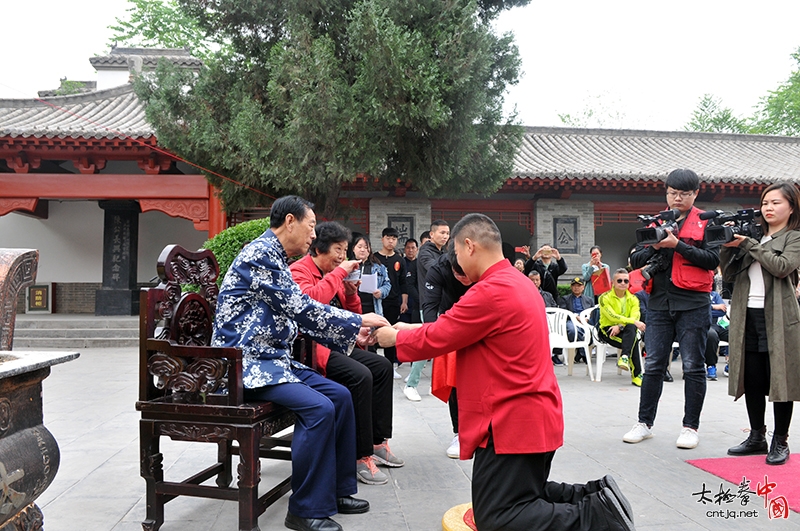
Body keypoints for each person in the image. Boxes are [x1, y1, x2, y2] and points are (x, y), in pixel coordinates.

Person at [374, 213, 635, 531]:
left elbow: (440, 336)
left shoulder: (491, 291)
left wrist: (393, 337)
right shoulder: (516, 283)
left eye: (456, 253)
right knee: (523, 497)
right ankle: (596, 496)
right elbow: (455, 328)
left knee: (500, 516)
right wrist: (407, 329)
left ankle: (597, 517)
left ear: (468, 246)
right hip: (529, 415)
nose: (456, 265)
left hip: (513, 421)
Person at [212, 196, 389, 531]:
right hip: (246, 363)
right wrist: (357, 322)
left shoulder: (275, 258)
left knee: (341, 396)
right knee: (320, 408)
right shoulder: (260, 255)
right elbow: (302, 309)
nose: (313, 236)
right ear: (289, 221)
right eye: (310, 227)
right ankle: (304, 509)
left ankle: (335, 491)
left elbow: (299, 314)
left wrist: (354, 332)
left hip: (274, 360)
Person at [290, 222, 404, 486]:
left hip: (337, 345)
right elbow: (311, 304)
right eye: (338, 250)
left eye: (345, 249)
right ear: (318, 249)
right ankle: (359, 455)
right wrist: (339, 273)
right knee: (361, 375)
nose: (342, 256)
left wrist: (351, 293)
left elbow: (350, 315)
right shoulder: (300, 270)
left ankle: (377, 441)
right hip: (312, 351)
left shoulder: (332, 271)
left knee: (382, 367)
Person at [623, 169, 719, 450]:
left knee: (693, 365)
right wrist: (656, 244)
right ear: (666, 192)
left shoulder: (705, 221)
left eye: (684, 193)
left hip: (693, 303)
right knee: (653, 364)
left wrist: (678, 245)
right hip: (659, 304)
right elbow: (637, 259)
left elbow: (712, 260)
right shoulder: (655, 221)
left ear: (695, 194)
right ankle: (644, 423)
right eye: (673, 192)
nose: (678, 198)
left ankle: (690, 427)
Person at [721, 182, 800, 466]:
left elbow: (781, 267)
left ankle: (780, 440)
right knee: (751, 376)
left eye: (776, 202)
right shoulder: (753, 236)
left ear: (791, 207)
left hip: (779, 317)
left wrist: (748, 244)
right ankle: (757, 436)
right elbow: (728, 275)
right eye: (765, 202)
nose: (768, 207)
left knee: (780, 379)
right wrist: (729, 247)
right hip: (746, 315)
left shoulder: (794, 238)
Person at [422, 244, 473, 458]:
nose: (463, 278)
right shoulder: (438, 269)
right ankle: (459, 432)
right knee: (456, 379)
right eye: (458, 274)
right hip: (451, 319)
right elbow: (430, 308)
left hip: (481, 317)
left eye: (467, 273)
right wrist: (435, 339)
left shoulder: (484, 265)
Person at [405, 220, 450, 401]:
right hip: (430, 305)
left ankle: (436, 383)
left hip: (443, 304)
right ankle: (411, 385)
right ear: (431, 235)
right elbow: (436, 268)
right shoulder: (425, 252)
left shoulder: (443, 252)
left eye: (447, 233)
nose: (445, 236)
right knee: (428, 345)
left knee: (441, 346)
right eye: (441, 233)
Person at [597, 269, 646, 386]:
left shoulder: (634, 299)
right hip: (607, 330)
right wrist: (625, 323)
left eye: (626, 281)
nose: (623, 283)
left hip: (625, 329)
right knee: (633, 339)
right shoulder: (604, 297)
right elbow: (612, 316)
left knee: (631, 332)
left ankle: (624, 356)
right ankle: (637, 375)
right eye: (619, 280)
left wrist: (620, 325)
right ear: (613, 282)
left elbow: (635, 315)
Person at [373, 227, 408, 371]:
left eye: (393, 238)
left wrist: (404, 301)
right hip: (376, 301)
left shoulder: (400, 260)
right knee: (373, 332)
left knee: (391, 331)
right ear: (382, 239)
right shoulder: (374, 258)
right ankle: (374, 363)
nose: (390, 241)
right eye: (388, 238)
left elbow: (403, 283)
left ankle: (390, 366)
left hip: (393, 301)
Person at [559, 277, 594, 363]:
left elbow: (593, 313)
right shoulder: (565, 299)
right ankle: (583, 352)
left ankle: (580, 352)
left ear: (583, 287)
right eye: (574, 285)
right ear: (571, 287)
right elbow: (564, 313)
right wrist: (576, 317)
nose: (576, 287)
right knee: (572, 330)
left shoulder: (589, 300)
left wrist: (587, 319)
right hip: (571, 320)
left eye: (579, 285)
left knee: (591, 331)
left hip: (585, 321)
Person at [703, 291, 728, 381]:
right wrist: (714, 307)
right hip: (703, 324)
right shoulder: (696, 293)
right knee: (711, 335)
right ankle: (711, 366)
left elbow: (722, 312)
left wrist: (708, 309)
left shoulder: (714, 294)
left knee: (736, 334)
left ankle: (732, 365)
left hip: (717, 325)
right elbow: (698, 309)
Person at [400, 238, 420, 324]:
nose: (410, 250)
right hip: (403, 301)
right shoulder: (401, 262)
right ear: (405, 249)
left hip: (417, 301)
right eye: (408, 248)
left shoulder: (420, 263)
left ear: (417, 249)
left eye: (413, 248)